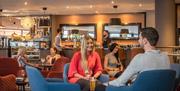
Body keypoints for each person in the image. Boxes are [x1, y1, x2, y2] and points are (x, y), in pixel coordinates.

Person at [103, 27, 170, 87]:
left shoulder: (139, 58)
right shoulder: (165, 57)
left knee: (100, 87)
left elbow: (120, 82)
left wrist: (107, 84)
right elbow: (153, 75)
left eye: (139, 38)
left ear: (145, 41)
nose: (138, 40)